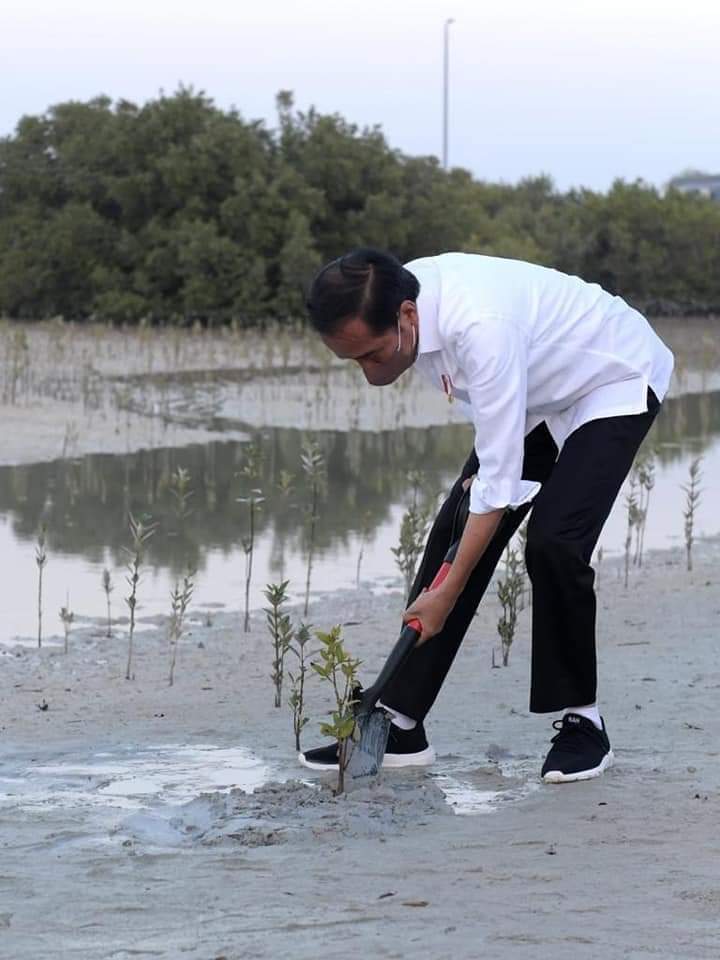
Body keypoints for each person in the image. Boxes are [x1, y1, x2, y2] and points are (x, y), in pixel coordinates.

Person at [299, 249, 674, 784]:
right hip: (538, 391)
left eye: (372, 355)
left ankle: (584, 724)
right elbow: (491, 440)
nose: (368, 372)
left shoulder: (480, 325)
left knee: (555, 542)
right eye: (352, 360)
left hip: (611, 374)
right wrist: (476, 512)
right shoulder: (402, 308)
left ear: (407, 316)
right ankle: (400, 722)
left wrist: (446, 593)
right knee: (459, 524)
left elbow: (498, 483)